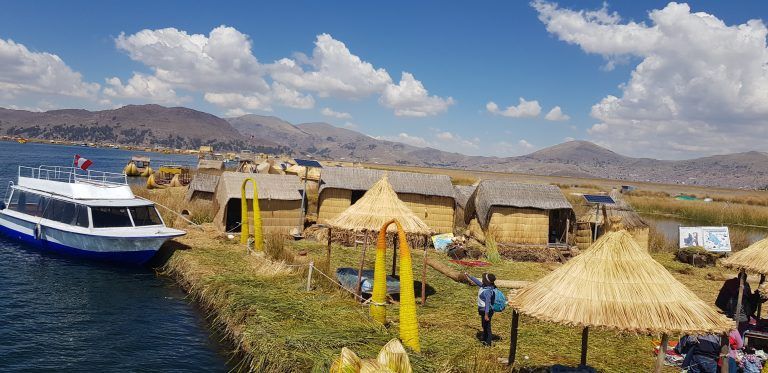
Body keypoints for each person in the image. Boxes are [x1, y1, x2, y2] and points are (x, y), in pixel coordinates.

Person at [464, 272, 496, 346]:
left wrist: (486, 315)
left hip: (486, 311)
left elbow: (487, 303)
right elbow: (476, 281)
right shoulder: (483, 286)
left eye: (483, 278)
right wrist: (469, 275)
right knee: (484, 325)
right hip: (482, 310)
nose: (482, 279)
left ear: (486, 281)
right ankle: (484, 338)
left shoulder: (487, 291)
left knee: (487, 328)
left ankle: (488, 343)